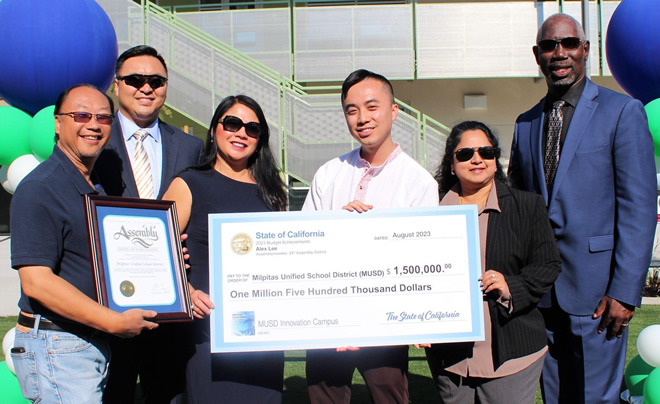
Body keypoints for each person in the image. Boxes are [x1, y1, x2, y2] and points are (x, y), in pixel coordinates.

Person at [508, 13, 657, 404]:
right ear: (537, 55)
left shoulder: (622, 112)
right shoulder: (525, 124)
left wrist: (625, 292)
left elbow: (638, 207)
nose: (560, 53)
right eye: (549, 46)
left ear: (586, 49)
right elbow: (516, 209)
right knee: (556, 396)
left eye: (569, 43)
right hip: (540, 295)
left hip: (599, 296)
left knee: (596, 398)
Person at [9, 84, 158, 403]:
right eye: (81, 115)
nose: (93, 124)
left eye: (103, 118)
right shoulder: (40, 188)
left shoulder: (98, 190)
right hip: (58, 345)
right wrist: (115, 322)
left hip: (86, 343)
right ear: (57, 122)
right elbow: (37, 282)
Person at [302, 69, 439, 403]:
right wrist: (337, 228)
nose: (362, 118)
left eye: (372, 107)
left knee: (389, 395)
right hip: (329, 321)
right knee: (324, 395)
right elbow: (306, 245)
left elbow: (423, 258)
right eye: (352, 110)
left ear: (393, 111)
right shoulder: (329, 174)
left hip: (386, 322)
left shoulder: (418, 182)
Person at [94, 45, 204, 404]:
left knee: (171, 395)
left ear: (166, 86)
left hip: (170, 311)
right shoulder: (93, 141)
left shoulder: (190, 146)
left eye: (155, 80)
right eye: (135, 80)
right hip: (107, 308)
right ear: (116, 85)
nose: (146, 88)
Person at [424, 121, 560, 403]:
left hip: (512, 352)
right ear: (451, 162)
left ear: (495, 159)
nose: (477, 159)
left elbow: (547, 264)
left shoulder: (527, 205)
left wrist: (511, 285)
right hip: (450, 357)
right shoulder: (428, 211)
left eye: (486, 152)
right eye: (465, 154)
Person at [163, 95, 288, 403]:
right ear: (215, 129)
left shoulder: (272, 193)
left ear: (260, 139)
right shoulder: (189, 183)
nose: (241, 133)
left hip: (264, 336)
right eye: (232, 123)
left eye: (252, 128)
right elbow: (155, 253)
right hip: (208, 334)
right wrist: (185, 292)